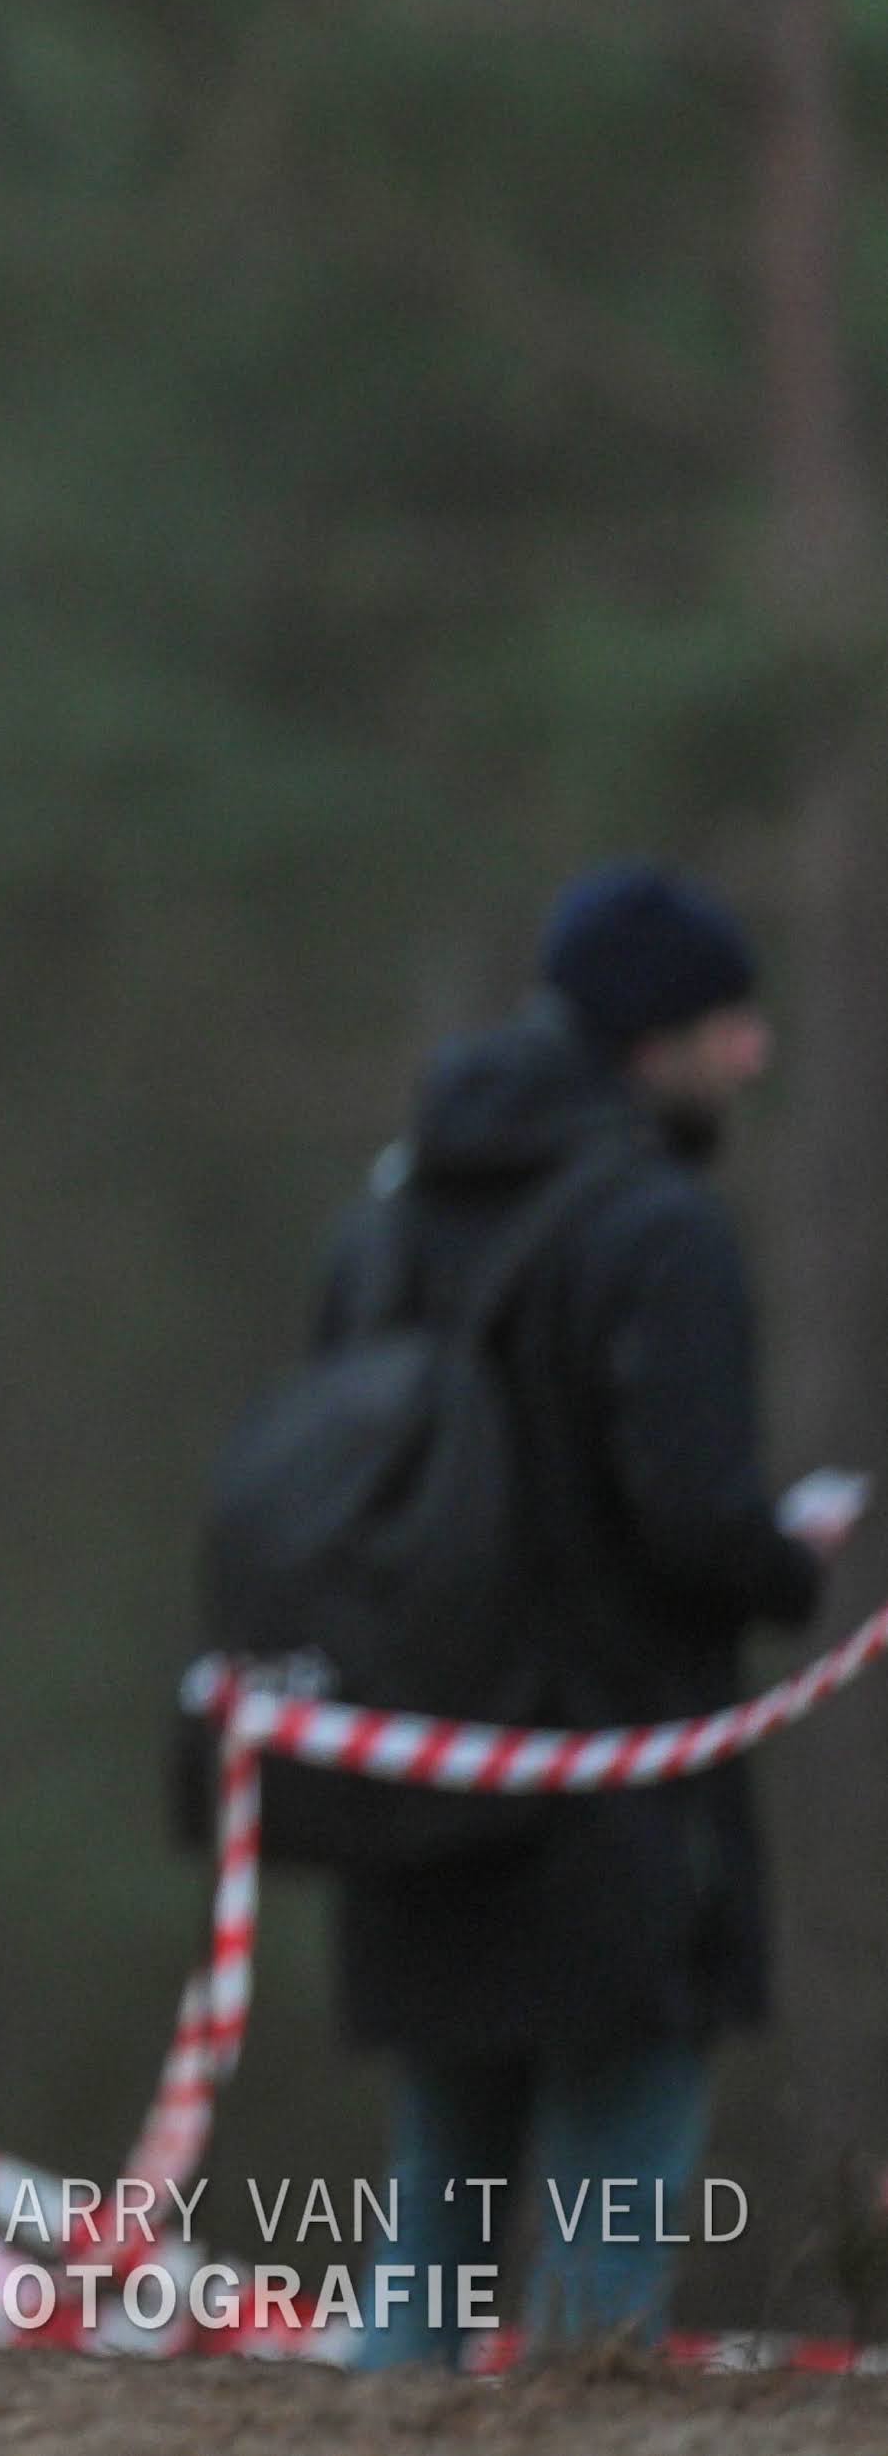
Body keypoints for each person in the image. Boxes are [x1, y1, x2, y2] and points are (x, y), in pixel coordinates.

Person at [332, 862, 856, 2366]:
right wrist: (788, 1558)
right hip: (618, 1807)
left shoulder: (388, 1215)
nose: (750, 1050)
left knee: (426, 2236)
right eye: (723, 1020)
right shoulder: (657, 1233)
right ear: (647, 1041)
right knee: (601, 2276)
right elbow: (690, 1518)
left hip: (414, 1793)